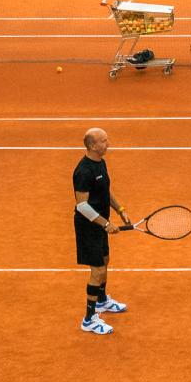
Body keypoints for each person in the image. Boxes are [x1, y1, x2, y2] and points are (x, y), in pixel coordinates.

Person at [73, 127, 131, 336]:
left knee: (105, 260)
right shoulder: (83, 171)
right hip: (89, 226)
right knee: (97, 270)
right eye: (104, 141)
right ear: (92, 146)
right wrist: (105, 224)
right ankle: (89, 319)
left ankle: (101, 301)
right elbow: (82, 206)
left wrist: (120, 210)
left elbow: (105, 190)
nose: (108, 144)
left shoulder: (100, 163)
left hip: (100, 224)